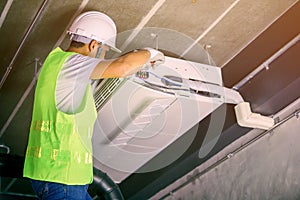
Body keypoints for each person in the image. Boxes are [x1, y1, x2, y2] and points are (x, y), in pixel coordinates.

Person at [23, 11, 164, 200]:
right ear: (93, 45)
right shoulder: (72, 63)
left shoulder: (56, 63)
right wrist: (152, 54)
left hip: (60, 178)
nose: (104, 55)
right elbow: (122, 67)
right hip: (63, 180)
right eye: (104, 50)